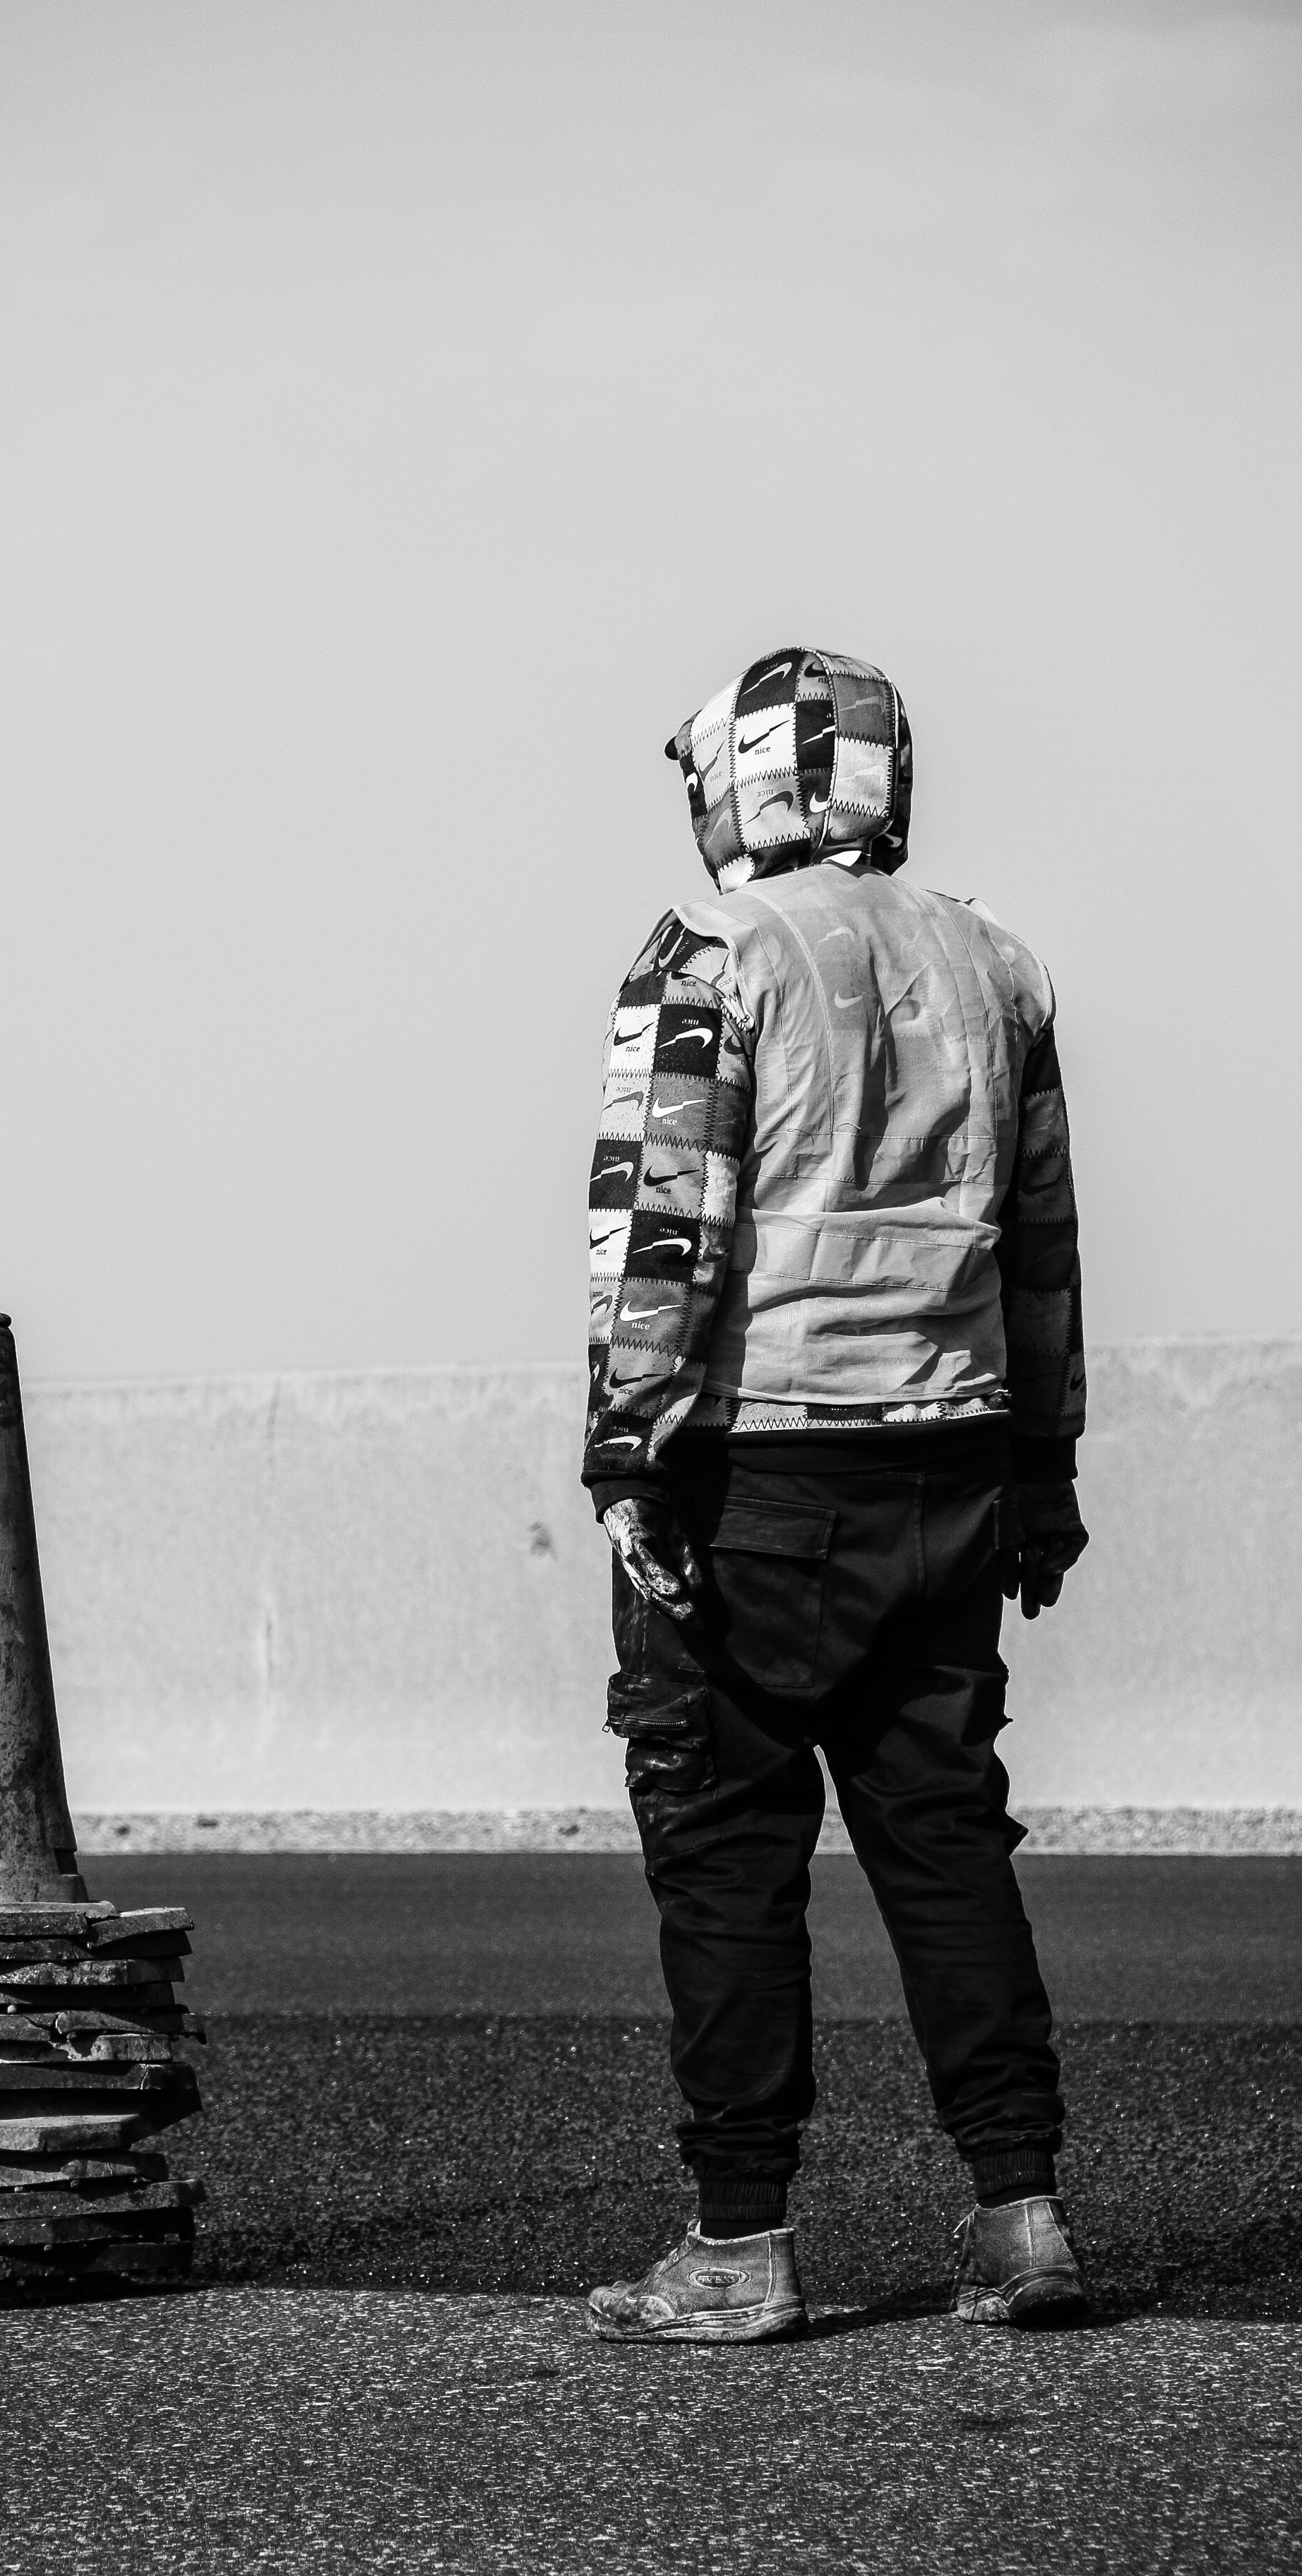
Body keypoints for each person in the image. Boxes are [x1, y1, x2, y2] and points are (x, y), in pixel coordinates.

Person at [582, 646, 1089, 2343]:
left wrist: (628, 1448)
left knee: (725, 1852)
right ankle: (1020, 2214)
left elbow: (661, 1224)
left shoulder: (708, 953)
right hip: (951, 1459)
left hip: (753, 1470)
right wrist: (1042, 1471)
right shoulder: (995, 964)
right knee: (944, 1842)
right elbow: (1041, 1244)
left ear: (745, 786)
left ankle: (739, 2245)